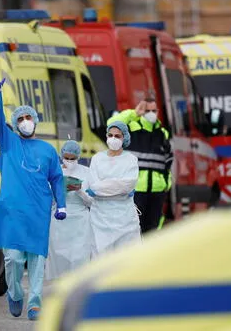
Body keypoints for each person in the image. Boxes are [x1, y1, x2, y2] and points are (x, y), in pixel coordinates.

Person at [0, 79, 67, 321]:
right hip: (12, 212)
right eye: (19, 119)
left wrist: (61, 204)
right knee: (12, 259)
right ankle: (15, 292)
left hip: (38, 212)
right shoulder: (9, 143)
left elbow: (57, 178)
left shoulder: (47, 150)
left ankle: (34, 303)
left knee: (36, 259)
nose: (24, 122)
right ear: (15, 124)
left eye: (27, 118)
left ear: (35, 121)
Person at [108, 98, 173, 233]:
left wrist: (167, 184)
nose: (151, 113)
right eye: (147, 110)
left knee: (153, 229)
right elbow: (111, 124)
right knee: (133, 228)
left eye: (153, 111)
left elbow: (168, 162)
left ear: (158, 111)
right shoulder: (131, 129)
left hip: (157, 191)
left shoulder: (162, 134)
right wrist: (134, 113)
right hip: (136, 190)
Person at [85, 121, 141, 256]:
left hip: (125, 217)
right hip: (100, 217)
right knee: (101, 256)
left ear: (124, 138)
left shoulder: (131, 159)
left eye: (117, 136)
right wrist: (117, 187)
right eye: (110, 135)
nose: (113, 139)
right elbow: (93, 185)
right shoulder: (97, 159)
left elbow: (128, 184)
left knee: (127, 257)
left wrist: (102, 188)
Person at [46, 140, 93, 281]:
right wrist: (59, 193)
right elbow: (47, 200)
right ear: (61, 156)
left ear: (78, 157)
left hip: (81, 221)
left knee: (80, 258)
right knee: (59, 261)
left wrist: (79, 191)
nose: (69, 161)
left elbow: (91, 202)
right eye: (66, 158)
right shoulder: (54, 172)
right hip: (59, 220)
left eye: (73, 159)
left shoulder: (87, 173)